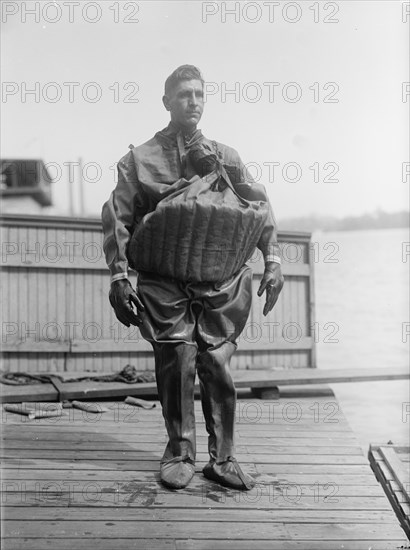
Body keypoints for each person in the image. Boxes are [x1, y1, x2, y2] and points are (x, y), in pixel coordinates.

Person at [102, 65, 284, 491]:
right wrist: (119, 276)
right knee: (176, 359)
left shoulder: (226, 157)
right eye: (184, 94)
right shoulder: (138, 159)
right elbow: (118, 218)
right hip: (163, 277)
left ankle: (223, 458)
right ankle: (179, 452)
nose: (194, 101)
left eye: (200, 94)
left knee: (217, 363)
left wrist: (273, 260)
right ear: (167, 101)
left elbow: (259, 206)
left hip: (220, 279)